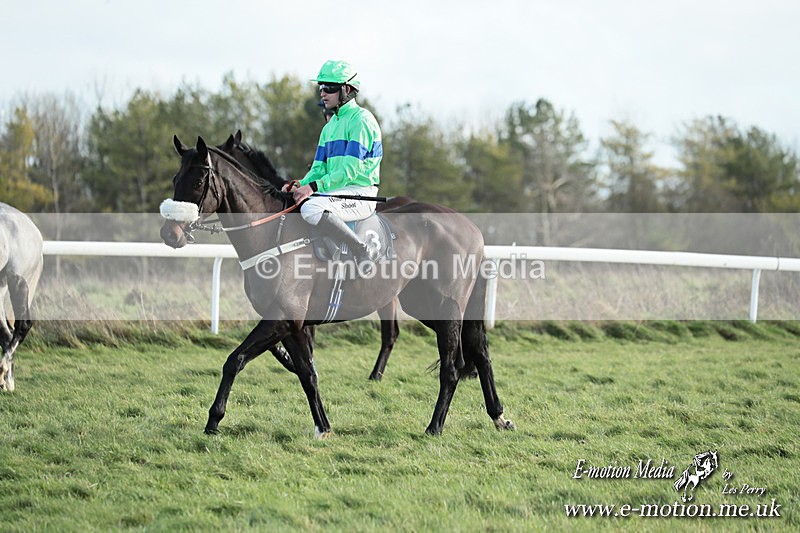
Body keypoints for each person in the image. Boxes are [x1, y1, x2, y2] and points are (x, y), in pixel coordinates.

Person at [283, 60, 382, 263]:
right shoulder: (329, 127)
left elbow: (349, 172)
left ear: (346, 90)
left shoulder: (361, 120)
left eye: (329, 87)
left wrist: (314, 187)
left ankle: (361, 250)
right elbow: (319, 168)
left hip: (360, 192)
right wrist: (301, 185)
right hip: (337, 190)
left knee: (310, 208)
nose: (322, 93)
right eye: (321, 87)